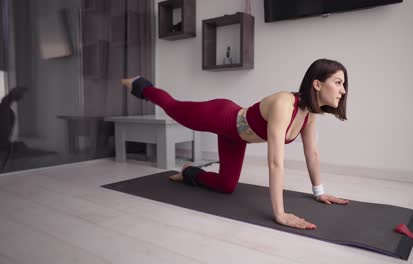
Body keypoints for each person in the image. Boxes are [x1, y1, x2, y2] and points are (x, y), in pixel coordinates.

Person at [121, 58, 350, 230]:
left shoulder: (309, 115)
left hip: (236, 138)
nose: (343, 90)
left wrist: (319, 192)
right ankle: (141, 85)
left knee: (226, 186)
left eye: (343, 84)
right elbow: (275, 162)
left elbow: (312, 154)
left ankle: (190, 173)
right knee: (174, 107)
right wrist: (280, 213)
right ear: (317, 84)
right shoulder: (284, 102)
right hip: (222, 115)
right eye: (338, 82)